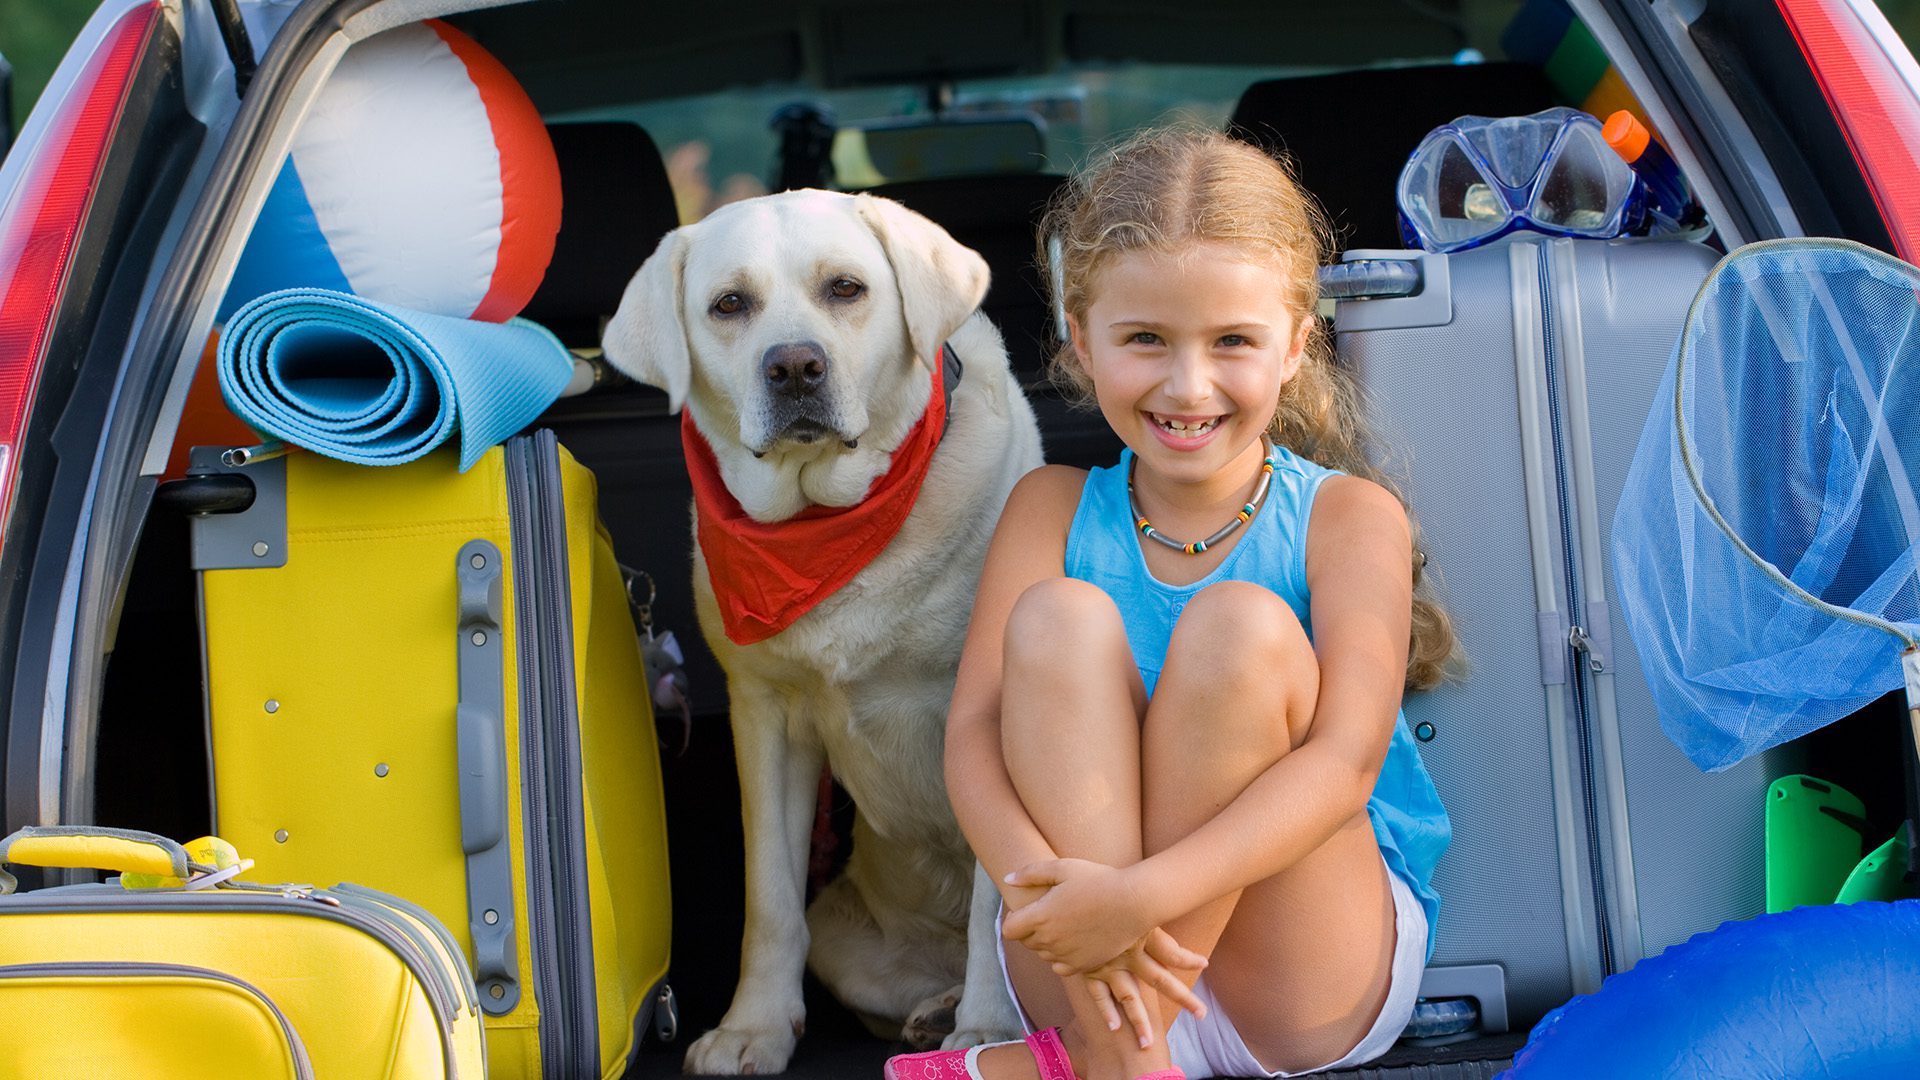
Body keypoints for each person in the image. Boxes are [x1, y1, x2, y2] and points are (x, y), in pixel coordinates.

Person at [884, 127, 1455, 1080]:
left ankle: (1089, 1063)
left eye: (1233, 341)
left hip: (1303, 972)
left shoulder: (1351, 519)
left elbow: (1345, 767)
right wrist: (1062, 904)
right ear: (1080, 339)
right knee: (1055, 621)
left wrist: (1136, 900)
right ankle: (1135, 1064)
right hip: (1082, 960)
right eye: (1145, 339)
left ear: (1295, 345)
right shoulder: (1049, 508)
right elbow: (974, 739)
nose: (1188, 386)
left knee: (1240, 629)